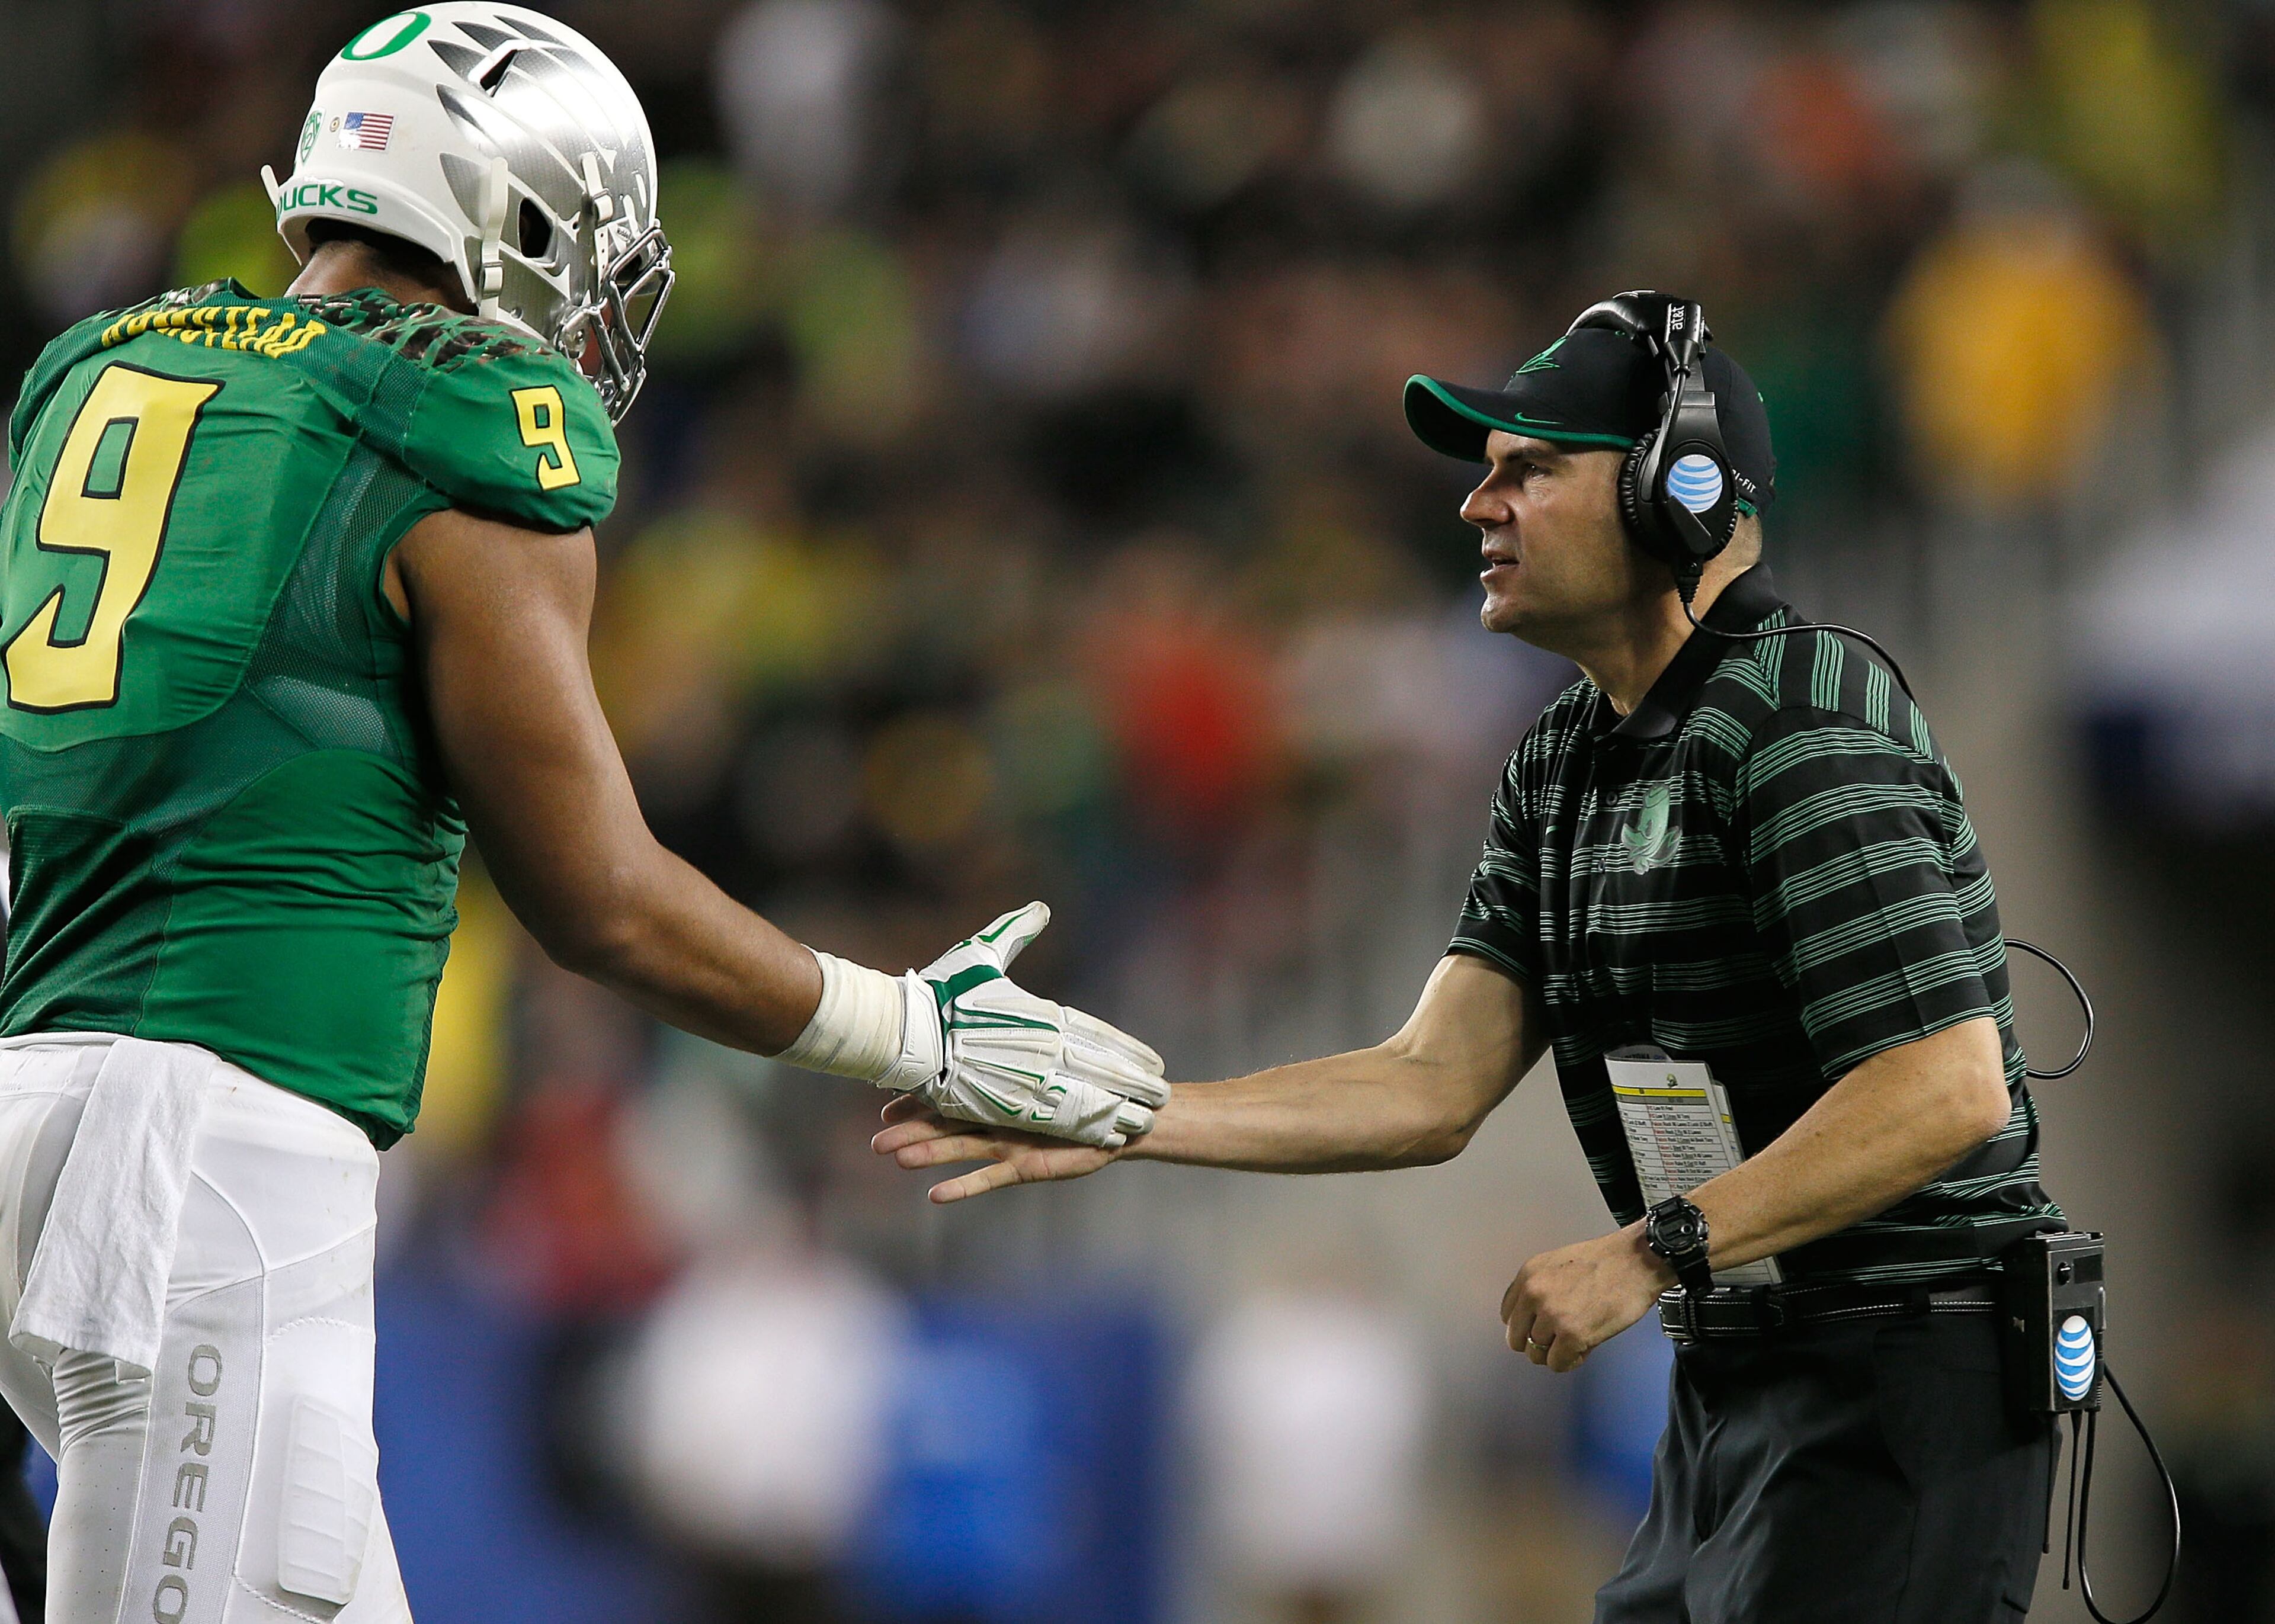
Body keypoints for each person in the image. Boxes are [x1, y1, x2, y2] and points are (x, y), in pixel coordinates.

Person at [0, 7, 1163, 1620]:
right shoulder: (458, 422)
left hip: (36, 1096)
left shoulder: (98, 368)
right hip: (219, 1157)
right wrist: (910, 1027)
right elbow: (598, 895)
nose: (600, 310)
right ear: (509, 212)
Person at [877, 292, 2069, 1622]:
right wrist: (1134, 1114)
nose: (1476, 506)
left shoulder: (1804, 720)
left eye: (1530, 468)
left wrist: (1648, 1251)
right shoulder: (1563, 759)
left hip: (1907, 1379)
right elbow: (1430, 1083)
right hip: (1735, 1375)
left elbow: (1945, 1084)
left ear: (1675, 489)